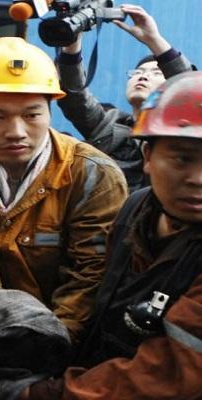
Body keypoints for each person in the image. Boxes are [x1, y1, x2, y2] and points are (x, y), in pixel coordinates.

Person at [0, 36, 128, 343]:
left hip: (66, 331)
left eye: (31, 115)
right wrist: (5, 325)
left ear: (49, 113)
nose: (16, 132)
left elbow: (90, 272)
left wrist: (52, 339)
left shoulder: (93, 173)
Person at [22, 70, 202, 400]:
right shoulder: (136, 209)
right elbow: (101, 305)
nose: (197, 179)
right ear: (148, 157)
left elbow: (173, 373)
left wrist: (45, 394)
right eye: (182, 158)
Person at [56, 3, 193, 193]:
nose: (143, 76)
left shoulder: (181, 131)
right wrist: (72, 40)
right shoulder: (109, 123)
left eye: (156, 72)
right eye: (138, 72)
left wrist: (154, 40)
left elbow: (190, 90)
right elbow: (73, 96)